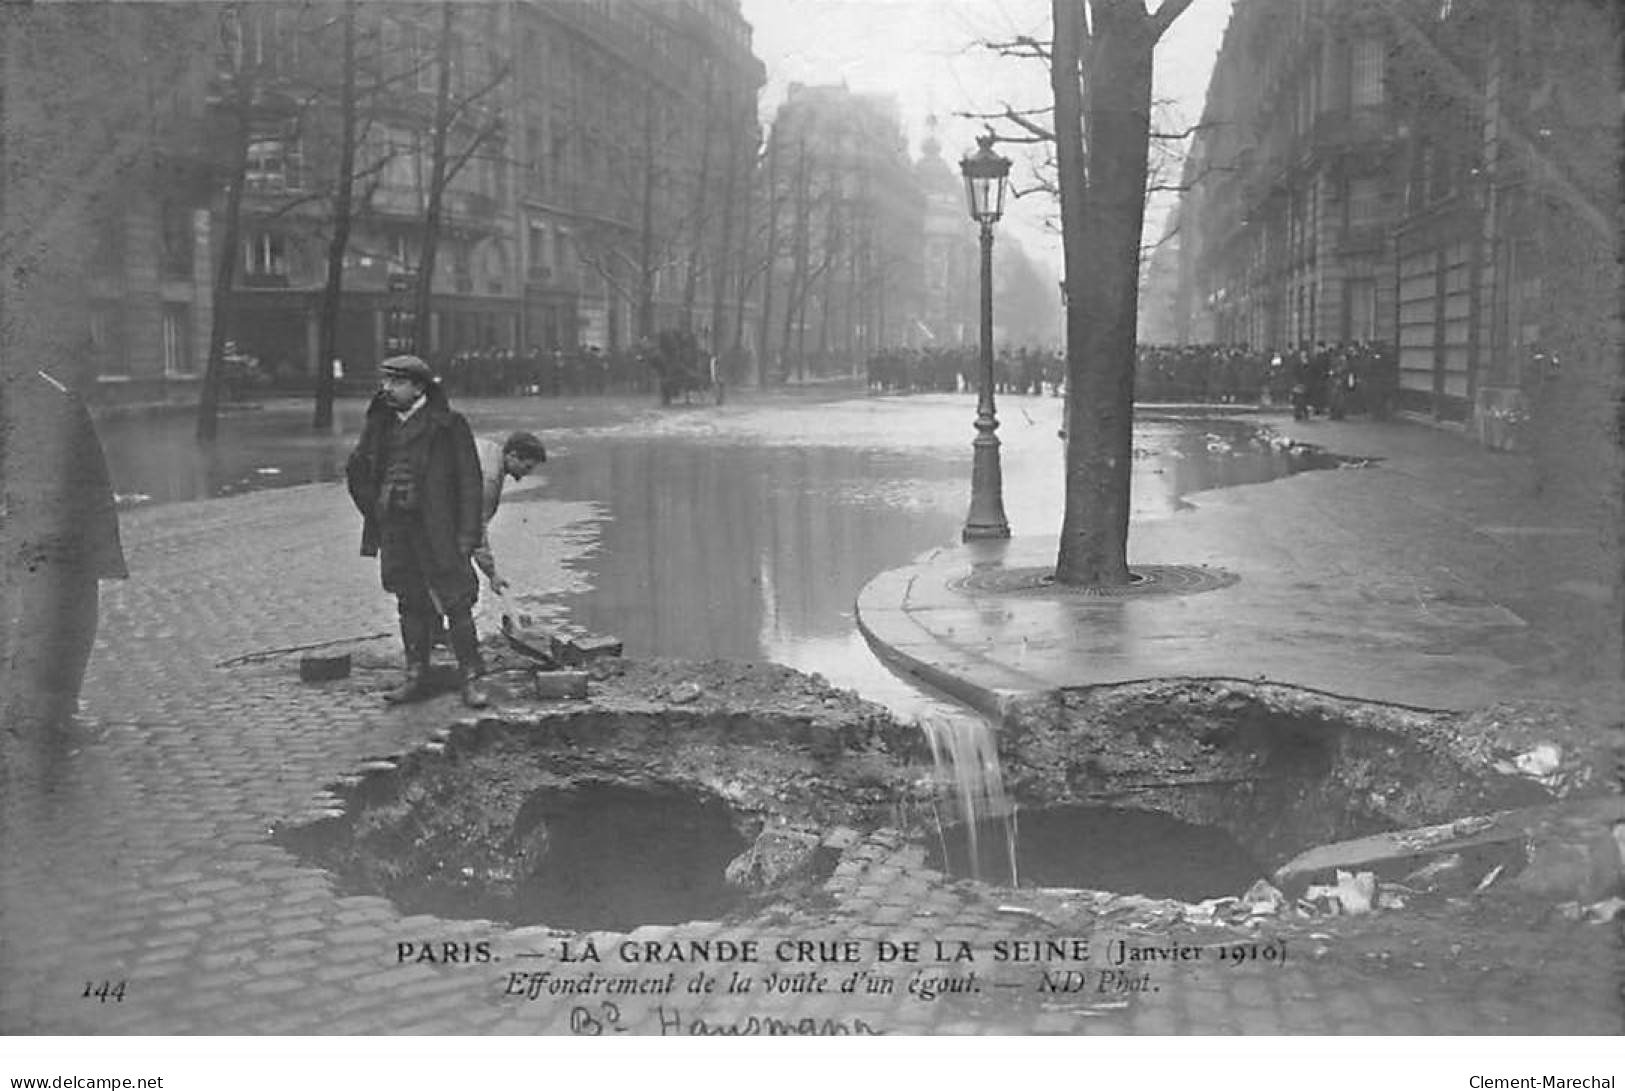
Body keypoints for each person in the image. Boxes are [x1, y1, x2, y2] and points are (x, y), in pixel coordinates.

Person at [344, 355, 490, 708]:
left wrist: (468, 536)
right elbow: (358, 470)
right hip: (397, 530)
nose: (387, 389)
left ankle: (471, 678)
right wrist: (376, 510)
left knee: (456, 602)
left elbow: (471, 483)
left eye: (396, 382)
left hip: (439, 531)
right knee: (409, 602)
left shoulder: (448, 425)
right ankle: (416, 676)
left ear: (419, 387)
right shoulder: (379, 424)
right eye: (385, 382)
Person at [0, 367, 129, 736]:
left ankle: (40, 707)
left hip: (64, 531)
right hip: (59, 534)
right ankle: (44, 711)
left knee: (56, 616)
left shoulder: (48, 392)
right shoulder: (44, 396)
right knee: (59, 618)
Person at [471, 430, 547, 595]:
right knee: (463, 591)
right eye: (527, 467)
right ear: (512, 455)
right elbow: (476, 530)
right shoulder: (489, 480)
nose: (528, 473)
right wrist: (492, 574)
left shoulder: (489, 448)